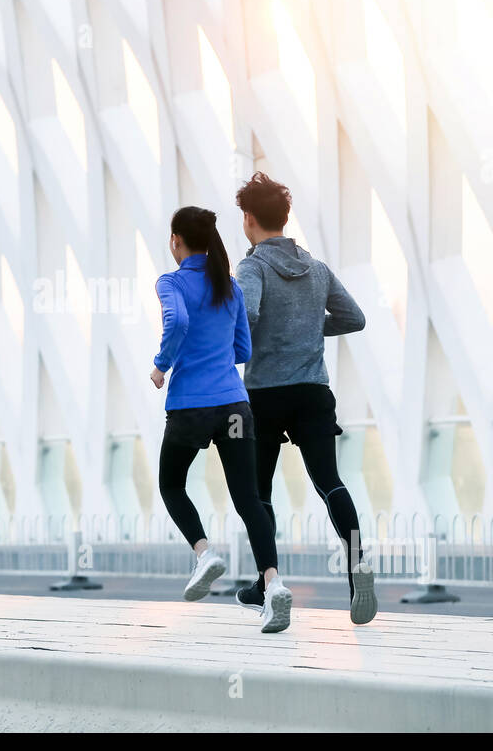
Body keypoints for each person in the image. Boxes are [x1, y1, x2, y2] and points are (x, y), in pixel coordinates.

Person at [232, 172, 377, 625]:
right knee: (329, 482)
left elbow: (250, 313)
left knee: (260, 493)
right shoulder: (317, 269)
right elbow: (354, 318)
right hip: (313, 391)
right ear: (285, 216)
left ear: (249, 219)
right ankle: (357, 565)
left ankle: (268, 584)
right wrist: (309, 329)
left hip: (264, 396)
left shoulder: (252, 266)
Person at [151, 206, 292, 633]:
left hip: (192, 407)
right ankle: (273, 584)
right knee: (249, 498)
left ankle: (205, 553)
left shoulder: (171, 281)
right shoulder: (229, 286)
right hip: (234, 407)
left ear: (177, 241)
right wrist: (215, 357)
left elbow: (177, 321)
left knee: (171, 484)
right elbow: (242, 350)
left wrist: (162, 364)